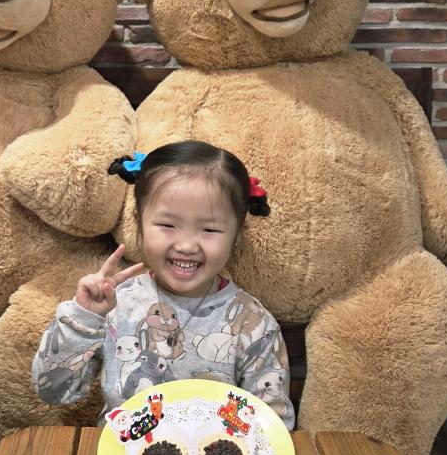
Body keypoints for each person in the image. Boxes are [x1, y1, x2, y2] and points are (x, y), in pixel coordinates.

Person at [32, 140, 294, 428]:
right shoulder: (115, 304)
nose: (186, 245)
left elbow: (274, 424)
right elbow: (52, 390)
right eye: (168, 225)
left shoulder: (253, 324)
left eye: (209, 229)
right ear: (139, 223)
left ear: (237, 235)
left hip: (217, 454)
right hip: (122, 451)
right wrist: (83, 319)